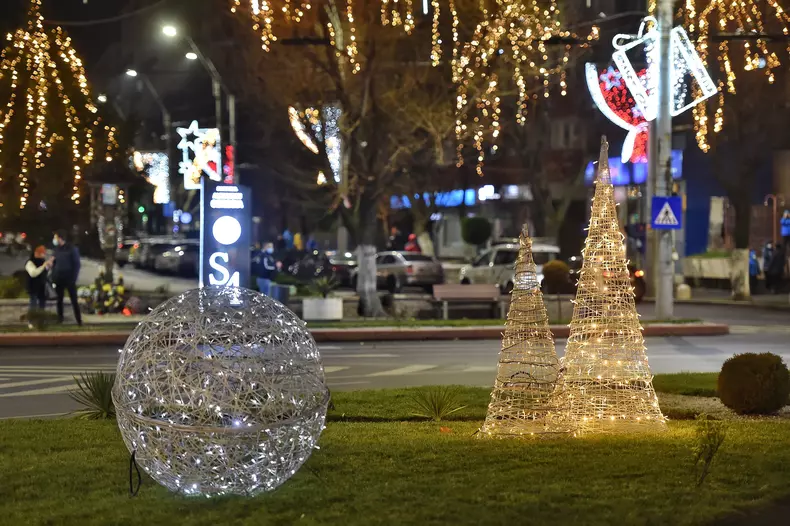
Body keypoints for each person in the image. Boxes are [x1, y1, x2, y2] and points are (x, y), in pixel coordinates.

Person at [51, 230, 82, 326]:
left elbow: (77, 264)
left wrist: (73, 278)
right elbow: (53, 264)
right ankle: (60, 319)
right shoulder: (56, 250)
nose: (54, 240)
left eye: (56, 237)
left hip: (69, 278)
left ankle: (79, 321)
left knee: (74, 300)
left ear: (60, 238)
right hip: (59, 278)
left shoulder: (71, 249)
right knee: (59, 300)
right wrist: (53, 275)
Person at [25, 246, 53, 329]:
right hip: (33, 287)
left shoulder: (42, 261)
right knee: (33, 304)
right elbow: (33, 273)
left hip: (42, 287)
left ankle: (41, 321)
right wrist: (43, 266)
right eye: (42, 253)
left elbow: (45, 272)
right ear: (36, 253)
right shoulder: (30, 262)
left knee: (42, 304)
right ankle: (31, 321)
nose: (44, 255)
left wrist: (49, 266)